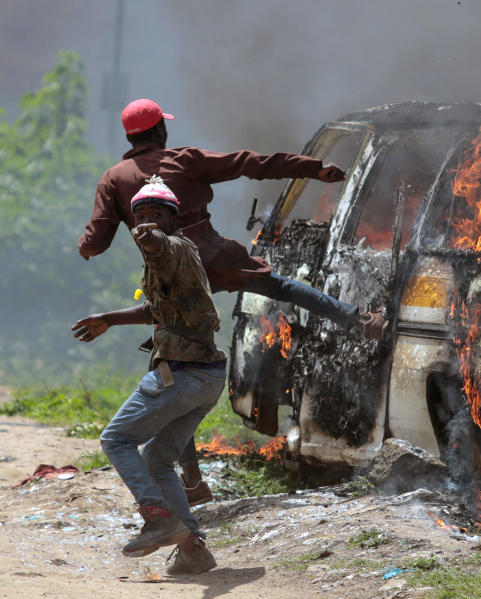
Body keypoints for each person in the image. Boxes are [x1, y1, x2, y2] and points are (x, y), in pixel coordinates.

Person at [78, 98, 386, 504]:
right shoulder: (184, 159)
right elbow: (251, 163)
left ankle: (192, 481)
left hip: (171, 278)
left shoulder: (113, 178)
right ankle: (359, 320)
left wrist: (86, 245)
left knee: (170, 368)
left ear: (130, 136)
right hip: (215, 258)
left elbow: (95, 243)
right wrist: (313, 169)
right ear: (159, 131)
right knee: (284, 287)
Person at [72, 177, 223, 574]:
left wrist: (149, 237)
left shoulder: (169, 248)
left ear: (173, 220)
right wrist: (109, 318)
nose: (148, 221)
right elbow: (162, 311)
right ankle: (193, 549)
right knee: (157, 459)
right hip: (206, 378)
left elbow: (160, 247)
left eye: (158, 214)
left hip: (182, 375)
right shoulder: (184, 255)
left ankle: (157, 518)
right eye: (141, 215)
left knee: (116, 439)